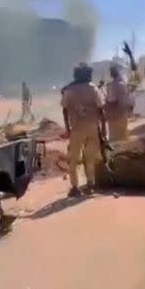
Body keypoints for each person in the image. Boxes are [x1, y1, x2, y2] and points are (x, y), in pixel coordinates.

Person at [61, 63, 107, 197]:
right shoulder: (94, 89)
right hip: (93, 127)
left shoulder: (69, 90)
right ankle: (90, 185)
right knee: (90, 158)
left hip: (76, 128)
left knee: (73, 159)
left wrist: (67, 128)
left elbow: (64, 110)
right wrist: (103, 130)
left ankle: (75, 187)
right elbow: (101, 111)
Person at [104, 64, 132, 140]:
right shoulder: (124, 84)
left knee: (115, 138)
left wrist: (105, 105)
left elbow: (111, 101)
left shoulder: (111, 85)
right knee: (123, 136)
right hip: (123, 114)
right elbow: (128, 101)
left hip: (115, 117)